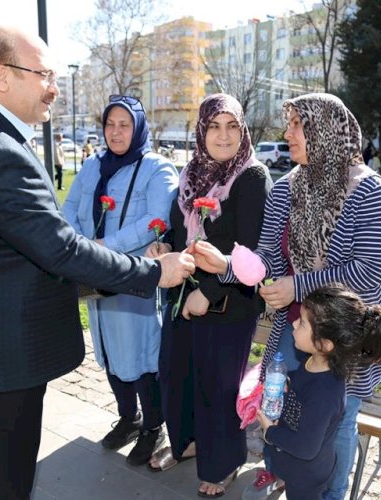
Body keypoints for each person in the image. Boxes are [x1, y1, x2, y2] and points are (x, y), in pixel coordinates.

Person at [0, 26, 195, 499]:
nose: (54, 86)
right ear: (3, 76)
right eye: (44, 74)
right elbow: (62, 248)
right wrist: (154, 272)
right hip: (4, 348)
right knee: (6, 474)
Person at [193, 93, 381, 500]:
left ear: (327, 131)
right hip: (297, 326)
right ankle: (283, 469)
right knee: (280, 401)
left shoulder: (368, 190)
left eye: (298, 125)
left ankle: (330, 493)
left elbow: (369, 272)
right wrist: (227, 267)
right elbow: (267, 257)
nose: (288, 134)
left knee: (335, 424)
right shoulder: (286, 188)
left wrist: (297, 287)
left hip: (341, 337)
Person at [145, 93, 272, 498]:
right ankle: (186, 444)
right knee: (176, 374)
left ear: (243, 130)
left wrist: (212, 292)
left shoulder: (251, 178)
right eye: (215, 126)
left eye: (232, 126)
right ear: (201, 130)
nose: (223, 135)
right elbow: (180, 230)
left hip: (229, 303)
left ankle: (224, 462)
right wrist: (164, 246)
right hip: (182, 296)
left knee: (218, 387)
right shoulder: (191, 174)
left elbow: (252, 250)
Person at [62, 95, 179, 465]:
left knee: (141, 356)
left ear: (139, 126)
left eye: (124, 124)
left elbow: (157, 219)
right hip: (96, 276)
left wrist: (104, 248)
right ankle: (129, 418)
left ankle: (152, 426)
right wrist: (80, 247)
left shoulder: (157, 168)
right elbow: (69, 209)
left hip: (133, 277)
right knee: (110, 354)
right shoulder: (93, 164)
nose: (116, 131)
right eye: (110, 124)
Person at [255, 283, 381, 499]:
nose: (293, 323)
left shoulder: (326, 392)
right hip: (296, 467)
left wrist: (269, 431)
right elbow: (304, 390)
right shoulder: (312, 362)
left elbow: (306, 447)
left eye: (302, 323)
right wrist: (287, 385)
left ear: (325, 344)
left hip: (306, 473)